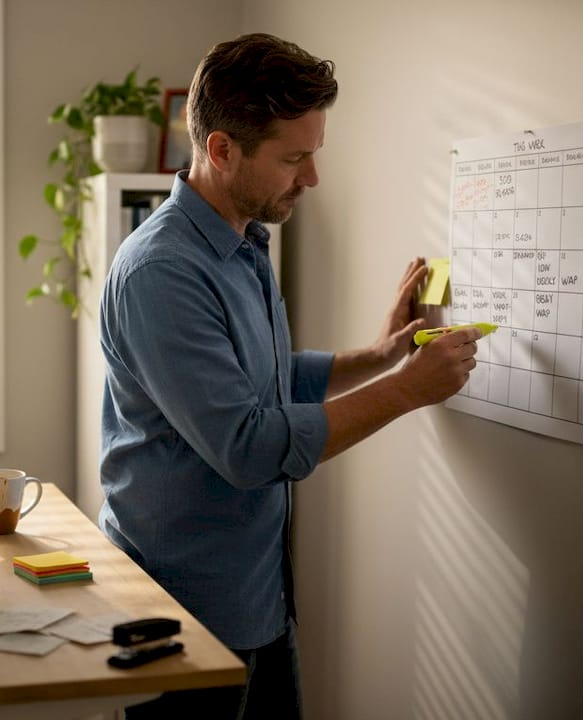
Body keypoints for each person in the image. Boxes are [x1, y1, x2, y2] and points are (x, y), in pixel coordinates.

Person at [97, 33, 479, 719]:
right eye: (294, 158)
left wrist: (384, 354)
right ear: (221, 150)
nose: (312, 179)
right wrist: (410, 389)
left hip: (259, 594)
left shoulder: (242, 239)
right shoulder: (162, 272)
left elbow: (264, 381)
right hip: (182, 616)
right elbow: (248, 445)